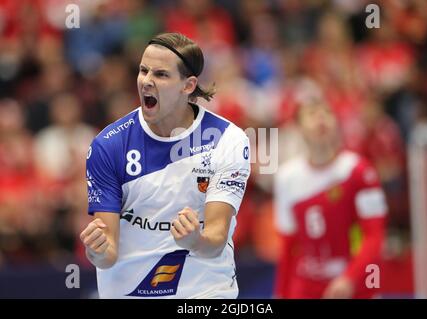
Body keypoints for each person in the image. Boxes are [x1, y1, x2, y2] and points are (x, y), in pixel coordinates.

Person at [80, 32, 251, 299]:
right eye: (143, 70)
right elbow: (108, 253)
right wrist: (97, 252)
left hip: (203, 292)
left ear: (188, 85)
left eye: (160, 74)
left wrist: (195, 240)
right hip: (128, 292)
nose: (146, 81)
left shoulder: (227, 140)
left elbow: (215, 240)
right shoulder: (108, 146)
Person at [273, 97, 387, 299]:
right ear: (299, 129)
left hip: (354, 283)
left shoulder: (358, 171)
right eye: (312, 114)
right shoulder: (287, 177)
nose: (321, 119)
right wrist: (281, 293)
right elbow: (289, 246)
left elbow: (374, 235)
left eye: (327, 113)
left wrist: (350, 278)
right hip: (307, 285)